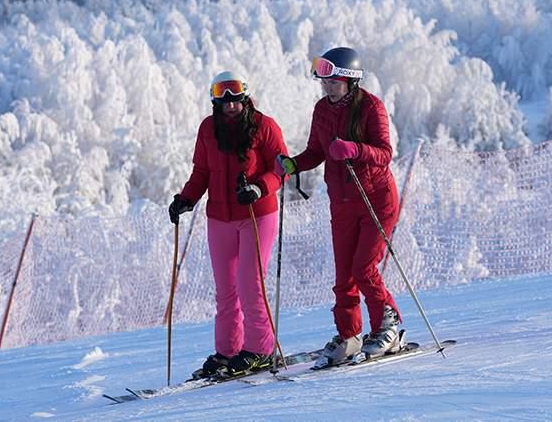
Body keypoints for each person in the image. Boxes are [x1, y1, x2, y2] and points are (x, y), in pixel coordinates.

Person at [275, 47, 404, 366]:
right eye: (324, 80)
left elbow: (385, 153)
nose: (326, 86)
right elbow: (316, 151)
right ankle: (349, 336)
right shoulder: (321, 110)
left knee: (364, 268)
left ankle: (388, 328)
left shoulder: (371, 107)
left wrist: (355, 149)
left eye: (333, 80)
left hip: (376, 198)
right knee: (344, 274)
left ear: (350, 80)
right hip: (342, 202)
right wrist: (294, 165)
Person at [168, 71, 287, 377]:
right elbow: (201, 171)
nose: (231, 104)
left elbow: (281, 167)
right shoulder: (208, 129)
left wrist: (259, 187)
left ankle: (260, 349)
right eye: (224, 97)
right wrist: (187, 198)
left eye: (236, 97)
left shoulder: (264, 125)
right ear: (215, 100)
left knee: (250, 284)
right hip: (219, 217)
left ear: (245, 97)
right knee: (226, 289)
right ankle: (227, 351)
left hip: (255, 215)